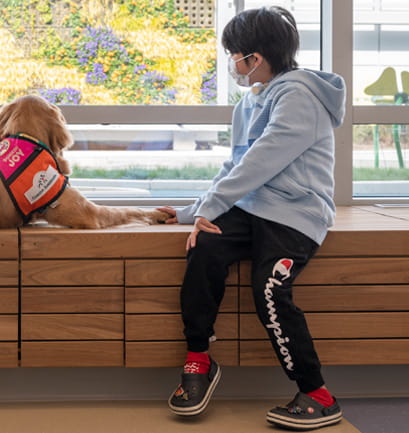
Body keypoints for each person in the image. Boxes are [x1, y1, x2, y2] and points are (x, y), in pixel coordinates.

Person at [157, 6, 346, 431]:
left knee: (269, 287)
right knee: (204, 246)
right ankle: (199, 359)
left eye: (233, 54)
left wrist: (210, 205)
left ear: (254, 58)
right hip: (252, 207)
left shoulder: (299, 96)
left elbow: (262, 160)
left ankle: (317, 394)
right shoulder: (250, 100)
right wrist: (194, 211)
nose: (232, 63)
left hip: (296, 214)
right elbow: (236, 166)